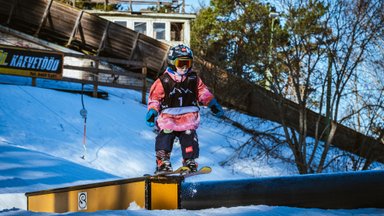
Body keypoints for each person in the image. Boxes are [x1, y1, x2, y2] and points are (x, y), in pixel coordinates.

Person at [145, 44, 224, 174]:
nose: (184, 67)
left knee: (189, 136)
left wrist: (212, 103)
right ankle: (162, 161)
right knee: (166, 135)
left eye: (187, 63)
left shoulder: (193, 79)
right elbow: (155, 98)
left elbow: (202, 92)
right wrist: (152, 111)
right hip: (168, 117)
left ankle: (189, 160)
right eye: (180, 63)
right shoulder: (163, 81)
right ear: (172, 62)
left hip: (187, 117)